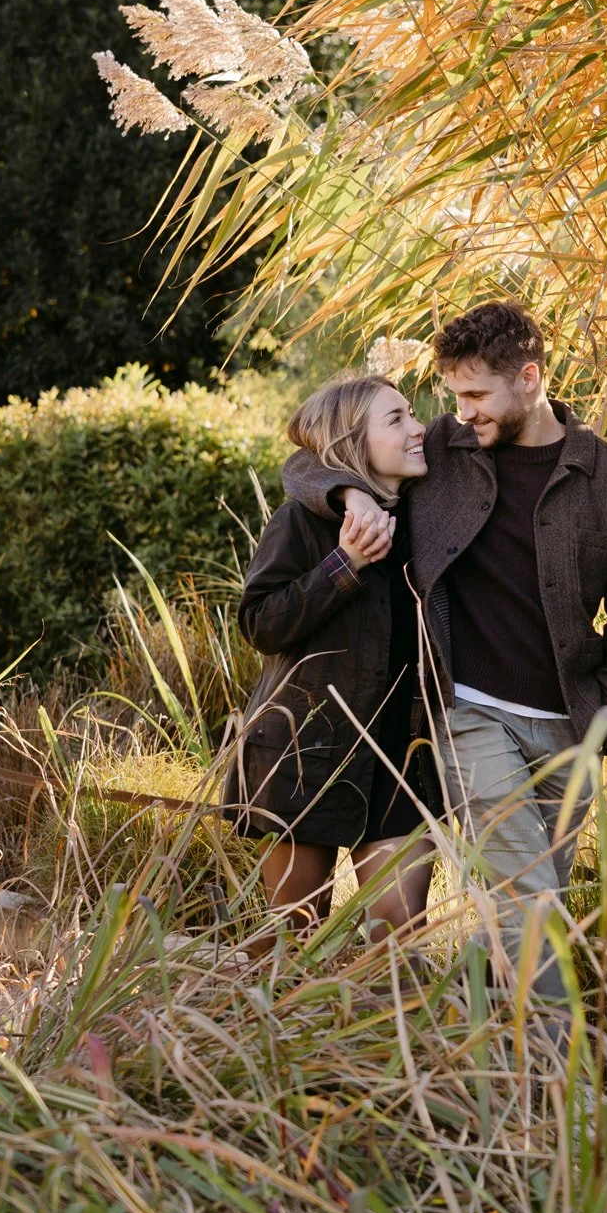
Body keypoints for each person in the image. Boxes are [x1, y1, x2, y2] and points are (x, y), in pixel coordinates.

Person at [282, 301, 607, 1006]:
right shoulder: (447, 454)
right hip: (468, 715)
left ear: (528, 378)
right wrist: (346, 497)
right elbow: (309, 460)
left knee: (515, 903)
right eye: (454, 396)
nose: (462, 413)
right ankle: (551, 1073)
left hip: (569, 727)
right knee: (532, 896)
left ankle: (479, 1052)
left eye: (476, 395)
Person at [223, 374, 437, 944]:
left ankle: (388, 1038)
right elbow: (260, 624)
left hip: (399, 757)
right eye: (397, 419)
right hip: (306, 753)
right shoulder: (301, 522)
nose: (419, 428)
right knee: (286, 946)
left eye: (412, 414)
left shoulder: (431, 519)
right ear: (352, 442)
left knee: (396, 945)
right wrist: (343, 565)